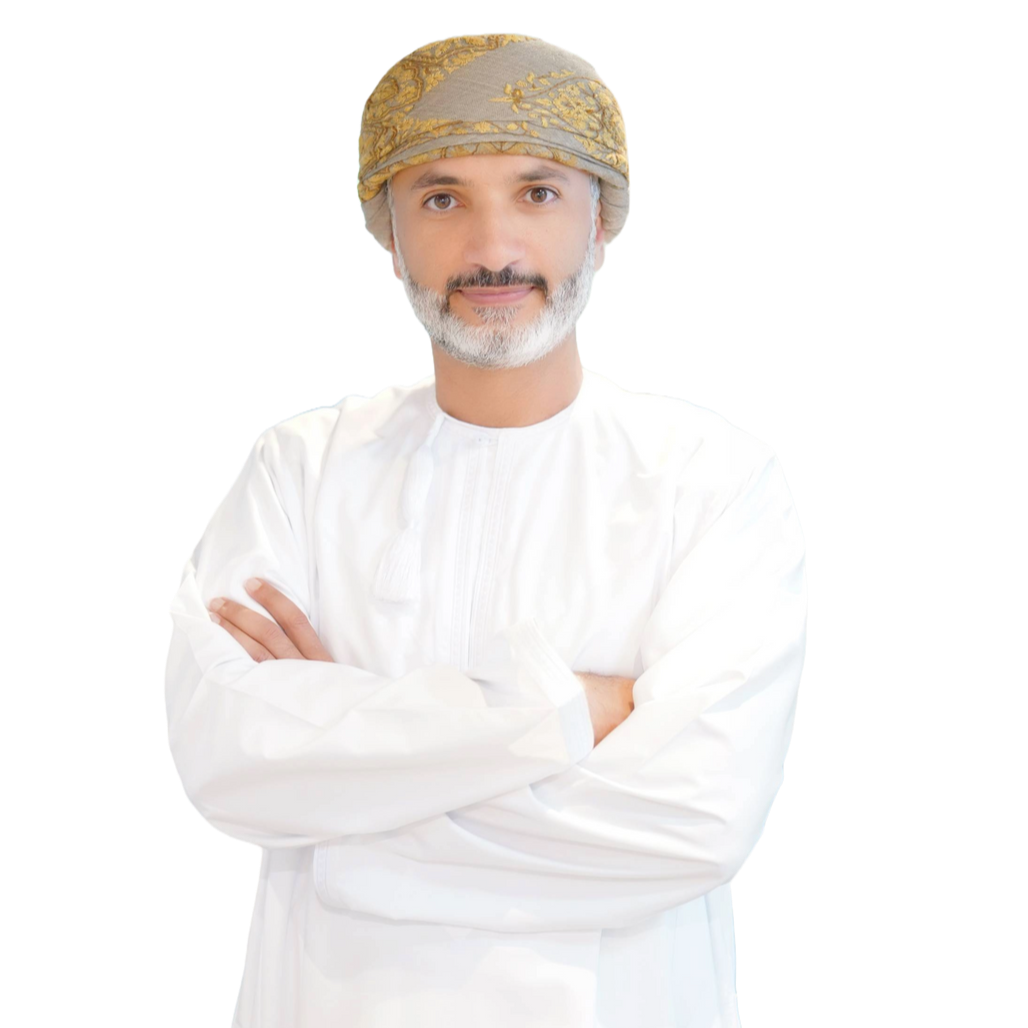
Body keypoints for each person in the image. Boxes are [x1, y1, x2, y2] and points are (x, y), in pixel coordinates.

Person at [164, 32, 807, 1028]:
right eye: (440, 195)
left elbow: (692, 820)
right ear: (385, 226)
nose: (492, 247)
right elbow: (226, 762)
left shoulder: (714, 479)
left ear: (603, 218)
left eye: (537, 191)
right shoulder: (300, 467)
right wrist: (570, 712)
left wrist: (340, 799)